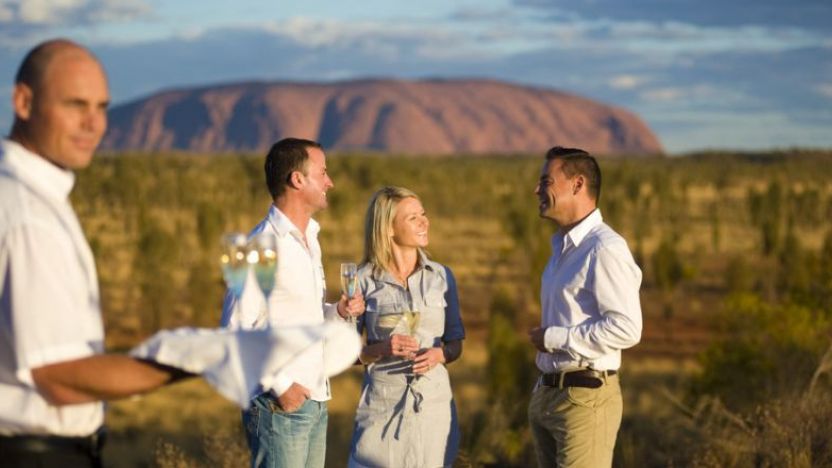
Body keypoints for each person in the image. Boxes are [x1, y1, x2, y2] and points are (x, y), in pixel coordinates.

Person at [0, 39, 190, 467]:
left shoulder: (27, 193)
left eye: (102, 107)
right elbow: (60, 379)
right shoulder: (29, 214)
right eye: (75, 105)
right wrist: (194, 361)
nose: (93, 124)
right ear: (23, 101)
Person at [220, 137, 364, 468]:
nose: (331, 181)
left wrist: (338, 313)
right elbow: (233, 329)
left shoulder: (310, 240)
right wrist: (281, 386)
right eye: (323, 172)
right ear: (297, 179)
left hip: (314, 401)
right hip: (279, 407)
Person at [527, 146, 642, 467]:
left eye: (546, 181)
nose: (537, 190)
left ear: (577, 185)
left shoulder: (604, 248)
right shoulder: (562, 249)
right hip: (550, 393)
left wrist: (554, 338)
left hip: (585, 396)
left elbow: (627, 328)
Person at [347, 186, 465, 468]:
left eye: (423, 214)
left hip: (434, 410)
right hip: (381, 408)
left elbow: (455, 342)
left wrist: (441, 355)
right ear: (388, 228)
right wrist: (380, 349)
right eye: (413, 218)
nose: (425, 221)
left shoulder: (442, 276)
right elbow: (346, 352)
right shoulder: (361, 280)